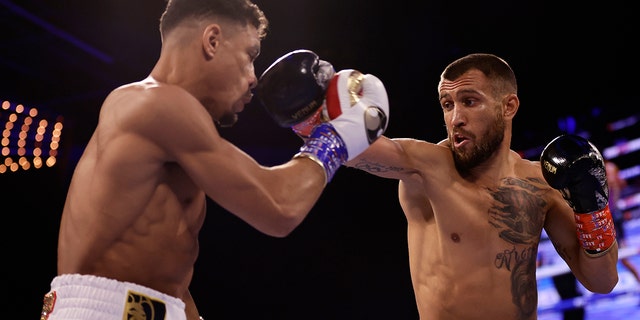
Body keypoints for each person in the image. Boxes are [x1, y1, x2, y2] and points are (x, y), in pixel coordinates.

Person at [40, 1, 389, 320]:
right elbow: (279, 207)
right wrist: (336, 137)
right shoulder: (156, 104)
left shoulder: (164, 122)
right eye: (250, 54)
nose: (253, 77)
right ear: (212, 40)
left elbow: (164, 277)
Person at [258, 52, 620, 319]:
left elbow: (601, 281)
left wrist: (593, 205)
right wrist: (311, 118)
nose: (455, 118)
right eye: (447, 104)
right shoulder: (426, 166)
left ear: (508, 106)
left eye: (469, 101)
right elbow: (357, 149)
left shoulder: (540, 185)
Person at [606, 159, 640, 282]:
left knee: (621, 255)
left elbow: (614, 184)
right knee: (623, 253)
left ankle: (638, 279)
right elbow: (622, 183)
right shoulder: (612, 167)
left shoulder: (602, 170)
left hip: (611, 214)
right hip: (615, 213)